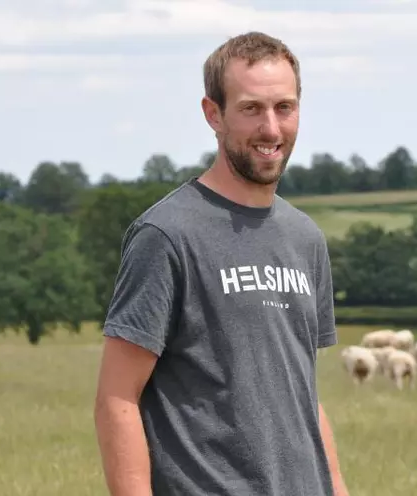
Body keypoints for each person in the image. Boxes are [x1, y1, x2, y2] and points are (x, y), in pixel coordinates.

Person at [93, 31, 349, 496]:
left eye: (284, 108)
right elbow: (117, 399)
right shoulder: (166, 235)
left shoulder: (305, 238)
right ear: (214, 114)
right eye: (251, 109)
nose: (271, 129)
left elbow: (304, 398)